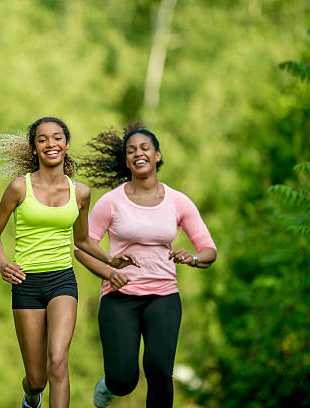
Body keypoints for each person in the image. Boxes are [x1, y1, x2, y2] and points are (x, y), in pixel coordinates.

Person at [0, 117, 139, 408]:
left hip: (62, 282)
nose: (50, 144)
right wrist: (2, 264)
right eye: (42, 139)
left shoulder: (80, 192)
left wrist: (110, 259)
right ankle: (31, 399)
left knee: (58, 361)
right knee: (36, 379)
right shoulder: (19, 188)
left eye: (57, 138)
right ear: (34, 149)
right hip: (26, 283)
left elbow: (81, 240)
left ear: (66, 144)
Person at [74, 122, 217, 408]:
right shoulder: (111, 202)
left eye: (144, 148)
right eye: (131, 150)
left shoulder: (178, 201)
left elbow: (208, 248)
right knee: (124, 379)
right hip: (120, 298)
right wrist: (109, 272)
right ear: (126, 160)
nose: (138, 153)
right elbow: (82, 247)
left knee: (160, 371)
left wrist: (193, 258)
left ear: (158, 155)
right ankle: (111, 384)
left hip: (164, 296)